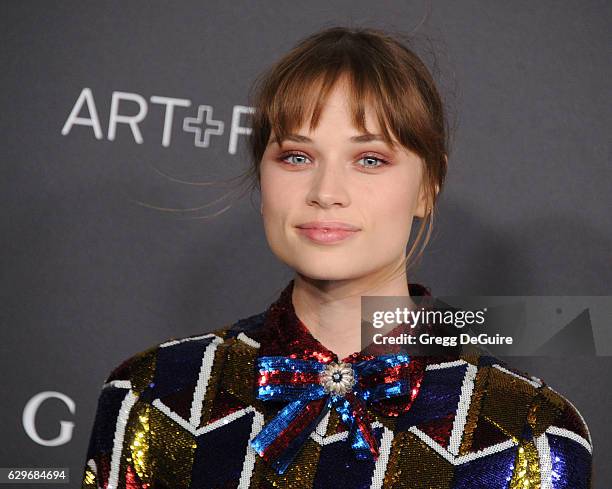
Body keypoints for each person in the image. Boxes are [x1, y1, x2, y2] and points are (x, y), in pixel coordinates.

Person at [79, 26, 592, 488]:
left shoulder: (530, 434)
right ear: (263, 175)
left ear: (428, 186)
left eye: (369, 159)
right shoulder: (153, 395)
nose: (326, 191)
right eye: (296, 157)